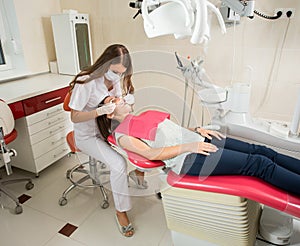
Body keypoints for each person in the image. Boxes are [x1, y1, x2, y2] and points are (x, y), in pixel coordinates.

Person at [97, 96, 300, 197]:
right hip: (189, 159)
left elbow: (171, 131)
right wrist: (189, 146)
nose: (120, 97)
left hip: (197, 141)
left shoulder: (141, 116)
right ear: (109, 113)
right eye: (113, 100)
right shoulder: (123, 135)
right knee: (258, 164)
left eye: (118, 95)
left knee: (261, 151)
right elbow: (152, 153)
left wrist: (197, 129)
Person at [69, 44, 139, 237]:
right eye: (115, 71)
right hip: (87, 136)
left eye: (121, 73)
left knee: (141, 139)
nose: (117, 77)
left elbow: (112, 103)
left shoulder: (113, 80)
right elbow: (74, 117)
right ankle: (121, 212)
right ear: (106, 64)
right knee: (118, 164)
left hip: (105, 128)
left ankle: (140, 174)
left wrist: (120, 104)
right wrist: (99, 111)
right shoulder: (86, 81)